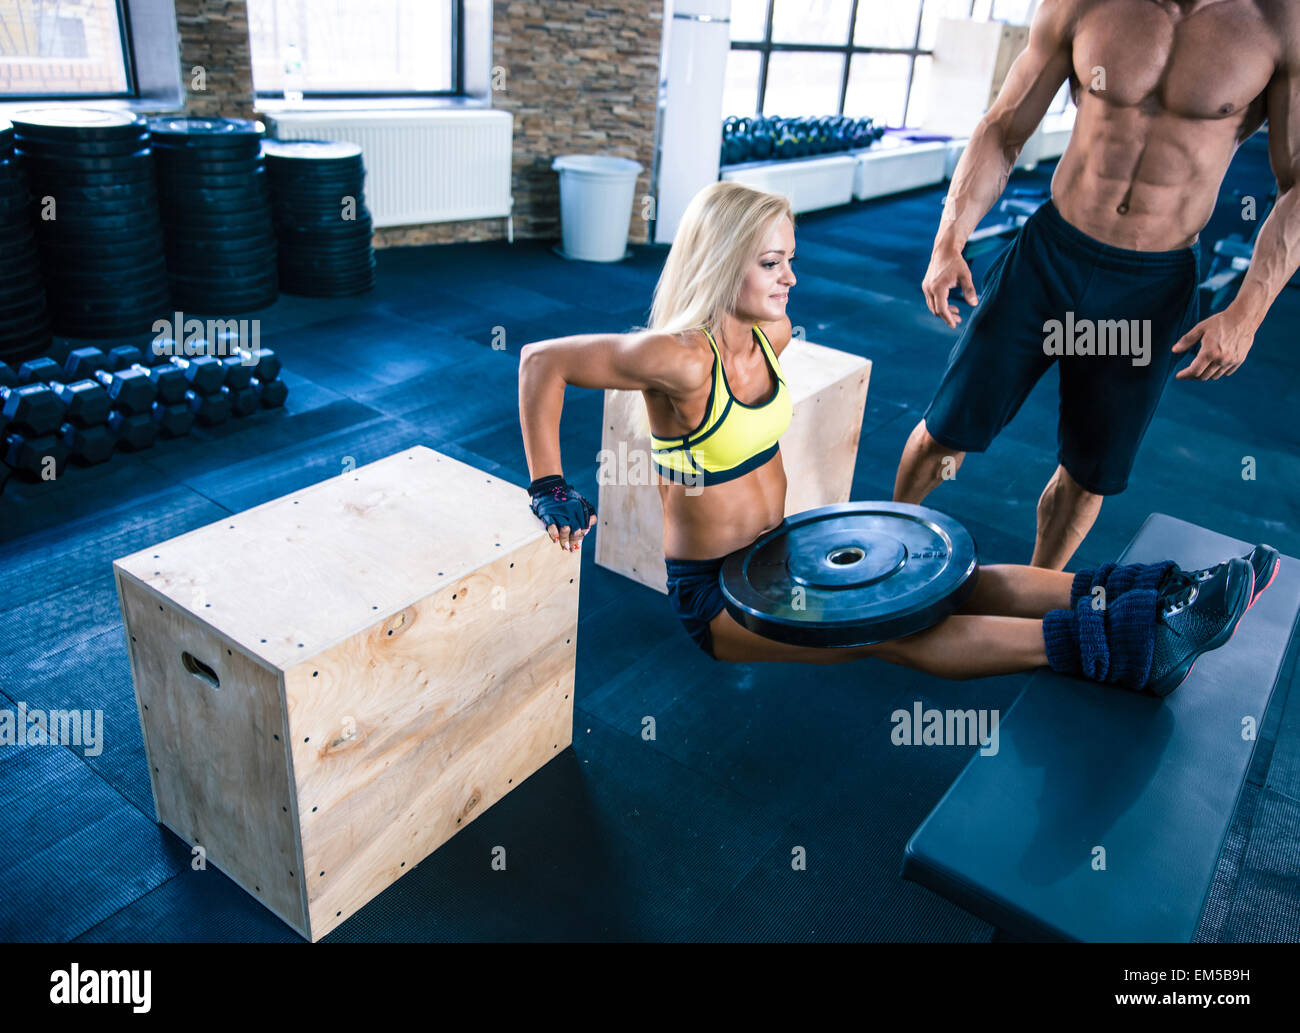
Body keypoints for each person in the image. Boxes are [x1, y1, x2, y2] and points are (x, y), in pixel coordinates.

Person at [517, 182, 1277, 697]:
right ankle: (1129, 648)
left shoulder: (772, 333)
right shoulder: (677, 359)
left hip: (779, 554)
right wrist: (549, 483)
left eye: (793, 259)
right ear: (721, 263)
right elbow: (541, 362)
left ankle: (1162, 591)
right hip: (721, 596)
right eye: (770, 262)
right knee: (901, 631)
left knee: (954, 579)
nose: (790, 278)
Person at [899, 0, 1300, 568]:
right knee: (943, 432)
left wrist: (1248, 311)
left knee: (1088, 472)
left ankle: (1036, 594)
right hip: (1049, 260)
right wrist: (949, 239)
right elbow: (1004, 126)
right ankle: (881, 550)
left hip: (1149, 290)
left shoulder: (1279, 21)